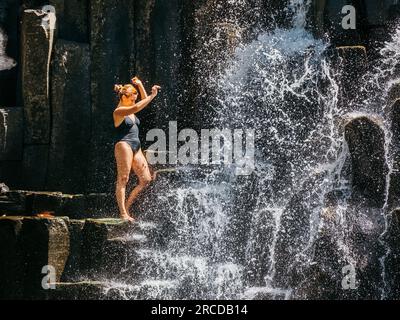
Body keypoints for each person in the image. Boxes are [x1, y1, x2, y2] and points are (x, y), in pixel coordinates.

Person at [113, 77, 161, 222]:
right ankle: (122, 213)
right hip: (124, 144)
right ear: (123, 96)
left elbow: (142, 103)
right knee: (123, 178)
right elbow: (136, 107)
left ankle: (127, 208)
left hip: (136, 146)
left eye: (136, 96)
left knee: (146, 180)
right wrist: (152, 96)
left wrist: (140, 85)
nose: (135, 98)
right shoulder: (119, 111)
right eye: (132, 96)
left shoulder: (132, 108)